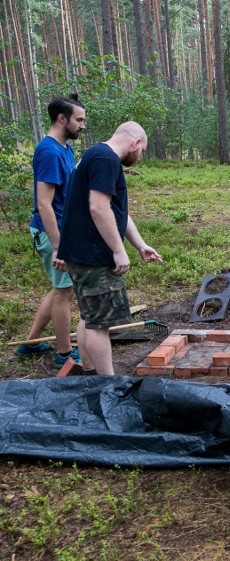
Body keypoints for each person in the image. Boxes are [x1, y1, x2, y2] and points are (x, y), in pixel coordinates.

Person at [57, 122, 163, 375]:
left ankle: (90, 373)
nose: (139, 157)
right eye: (142, 151)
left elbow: (118, 211)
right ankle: (108, 384)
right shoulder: (107, 160)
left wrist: (139, 245)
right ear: (135, 143)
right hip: (93, 255)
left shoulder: (95, 154)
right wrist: (118, 249)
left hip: (80, 253)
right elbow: (98, 207)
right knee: (99, 325)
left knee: (89, 316)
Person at [16, 95, 86, 369]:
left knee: (59, 288)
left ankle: (30, 343)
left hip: (61, 228)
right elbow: (44, 202)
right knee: (64, 292)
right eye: (78, 120)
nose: (82, 125)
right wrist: (59, 246)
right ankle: (64, 354)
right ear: (61, 118)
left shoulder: (64, 148)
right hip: (51, 231)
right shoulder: (49, 152)